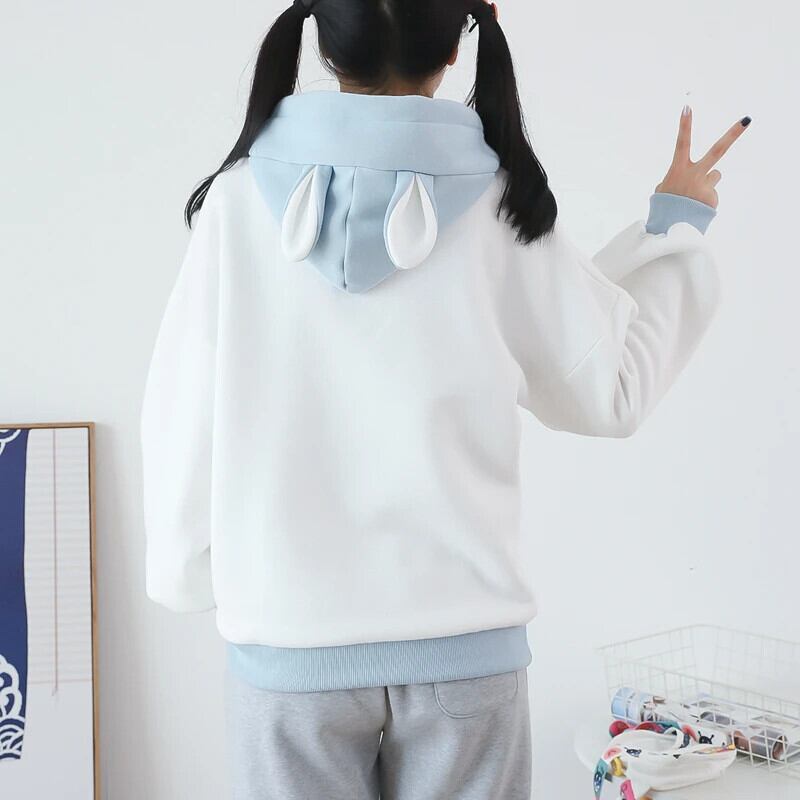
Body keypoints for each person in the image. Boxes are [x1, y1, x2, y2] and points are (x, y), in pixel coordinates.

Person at [139, 1, 750, 797]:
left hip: (288, 650)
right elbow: (610, 385)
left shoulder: (237, 201)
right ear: (460, 43)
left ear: (324, 39)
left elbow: (183, 407)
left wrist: (185, 569)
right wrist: (674, 227)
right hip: (466, 651)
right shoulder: (501, 205)